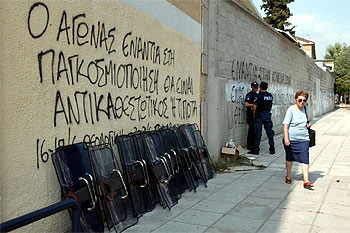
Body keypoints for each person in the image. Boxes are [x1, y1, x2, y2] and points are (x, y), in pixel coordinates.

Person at [283, 90, 313, 189]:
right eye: (300, 100)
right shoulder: (291, 109)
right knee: (290, 158)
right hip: (292, 139)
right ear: (296, 99)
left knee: (305, 158)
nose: (302, 102)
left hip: (304, 138)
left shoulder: (305, 109)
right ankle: (288, 176)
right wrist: (286, 138)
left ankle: (306, 180)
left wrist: (308, 125)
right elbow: (285, 125)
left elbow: (305, 120)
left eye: (304, 100)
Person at [251, 81, 275, 155]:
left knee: (258, 132)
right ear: (267, 87)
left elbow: (255, 106)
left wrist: (254, 115)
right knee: (269, 132)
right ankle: (272, 148)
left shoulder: (259, 96)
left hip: (259, 115)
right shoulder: (270, 96)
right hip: (267, 114)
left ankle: (256, 149)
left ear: (260, 87)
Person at [245, 81, 259, 152]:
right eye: (254, 87)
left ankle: (254, 144)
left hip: (256, 115)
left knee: (255, 131)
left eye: (256, 87)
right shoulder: (249, 95)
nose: (256, 88)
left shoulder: (257, 95)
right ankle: (249, 145)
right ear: (252, 87)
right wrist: (253, 105)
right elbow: (246, 104)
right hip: (250, 114)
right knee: (251, 130)